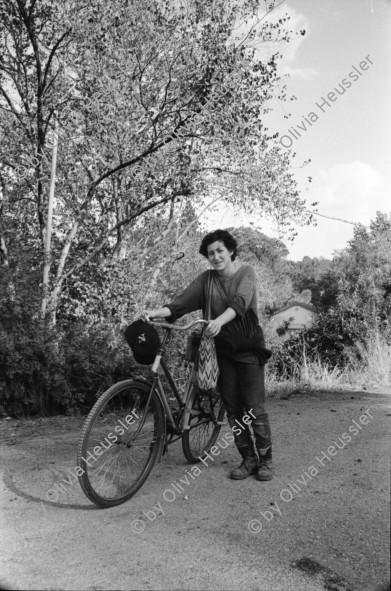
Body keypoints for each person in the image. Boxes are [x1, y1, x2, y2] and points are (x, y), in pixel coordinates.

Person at [144, 229, 273, 481]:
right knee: (234, 409)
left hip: (248, 350)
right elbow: (179, 304)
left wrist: (219, 322)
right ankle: (247, 459)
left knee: (254, 407)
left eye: (220, 251)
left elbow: (240, 302)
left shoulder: (246, 272)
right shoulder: (207, 280)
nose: (215, 257)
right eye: (210, 253)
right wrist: (154, 313)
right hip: (221, 351)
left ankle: (266, 460)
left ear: (231, 250)